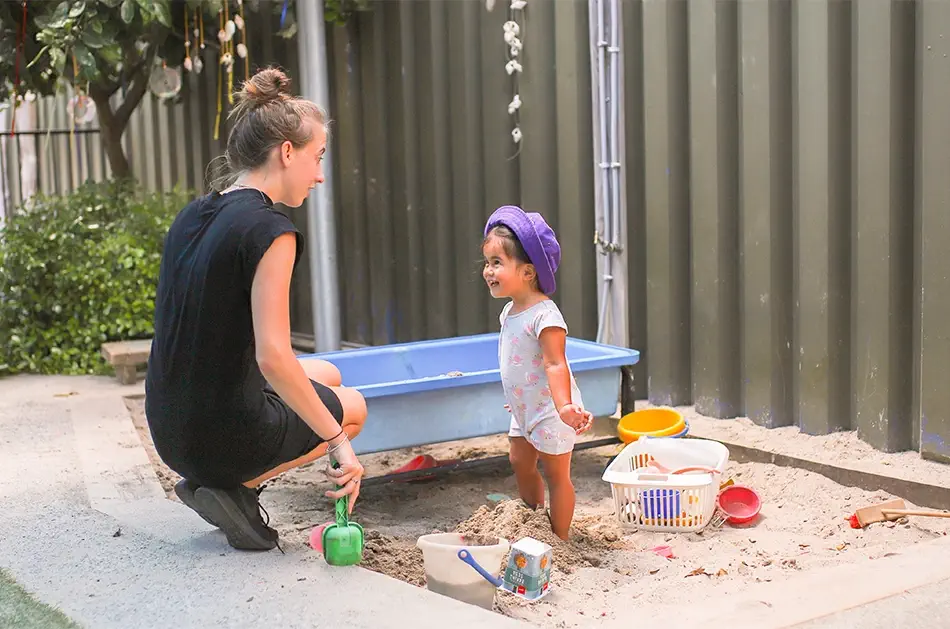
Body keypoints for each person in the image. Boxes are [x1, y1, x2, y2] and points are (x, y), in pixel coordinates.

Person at [145, 67, 368, 552]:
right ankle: (235, 490)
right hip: (218, 435)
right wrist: (337, 443)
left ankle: (216, 482)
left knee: (327, 372)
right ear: (287, 152)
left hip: (168, 427)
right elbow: (273, 357)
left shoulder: (193, 216)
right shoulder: (271, 232)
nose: (320, 174)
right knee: (352, 409)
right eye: (317, 157)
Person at [481, 205, 594, 540]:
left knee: (557, 474)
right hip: (525, 408)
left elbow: (555, 363)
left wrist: (562, 407)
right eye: (487, 263)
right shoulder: (509, 312)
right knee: (519, 461)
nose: (488, 271)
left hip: (552, 411)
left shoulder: (546, 316)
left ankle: (559, 538)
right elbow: (517, 362)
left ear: (528, 272)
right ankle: (532, 520)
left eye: (497, 263)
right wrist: (517, 397)